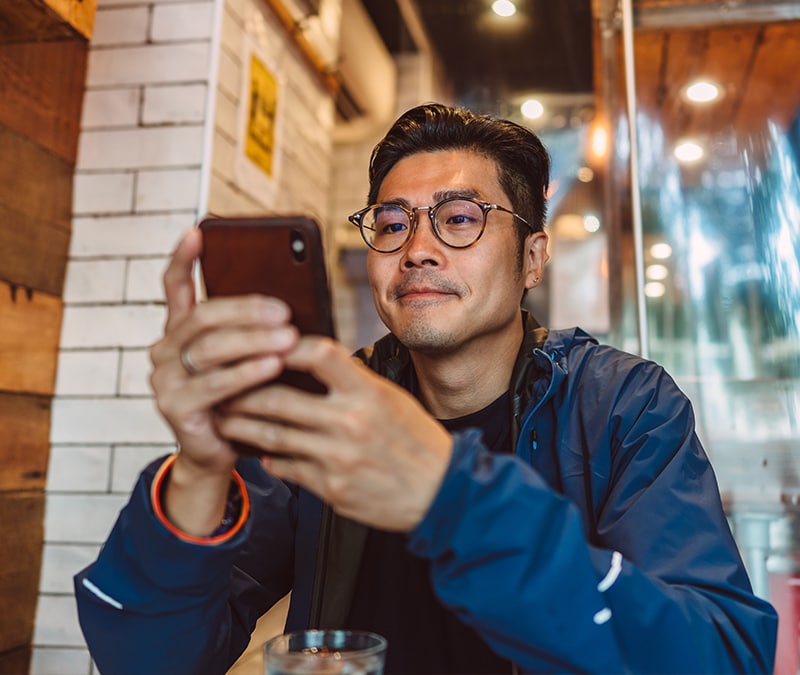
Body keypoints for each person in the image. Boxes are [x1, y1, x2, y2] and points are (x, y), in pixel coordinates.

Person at [75, 103, 777, 674]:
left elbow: (721, 654)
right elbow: (151, 658)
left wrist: (450, 495)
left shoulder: (624, 405)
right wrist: (199, 468)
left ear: (532, 258)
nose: (416, 247)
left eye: (461, 217)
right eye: (392, 222)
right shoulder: (328, 404)